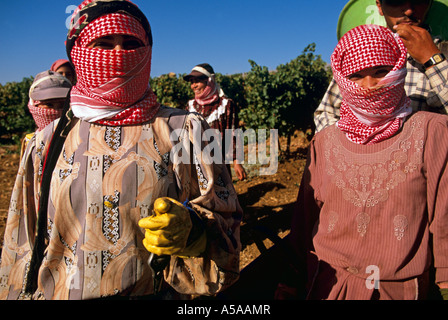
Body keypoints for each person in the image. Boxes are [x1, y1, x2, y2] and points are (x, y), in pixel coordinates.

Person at [0, 0, 242, 300]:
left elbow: (227, 225)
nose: (118, 54)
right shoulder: (44, 143)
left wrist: (193, 233)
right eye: (103, 43)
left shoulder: (186, 130)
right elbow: (21, 244)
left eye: (130, 43)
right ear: (78, 53)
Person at [290, 24, 448, 300]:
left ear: (400, 70)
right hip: (327, 285)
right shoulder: (324, 142)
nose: (370, 86)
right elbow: (305, 219)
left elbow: (444, 219)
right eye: (356, 75)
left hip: (399, 291)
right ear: (342, 80)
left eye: (381, 72)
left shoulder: (432, 131)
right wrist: (292, 277)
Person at [314, 0, 448, 132]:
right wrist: (350, 148)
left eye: (418, 0)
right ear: (379, 5)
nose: (409, 10)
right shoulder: (363, 50)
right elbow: (326, 114)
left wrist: (432, 59)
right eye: (396, 2)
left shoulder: (443, 52)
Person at [184, 63, 247, 181]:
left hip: (219, 163)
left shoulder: (225, 105)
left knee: (222, 193)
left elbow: (233, 133)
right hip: (196, 163)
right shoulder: (191, 106)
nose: (194, 86)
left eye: (197, 81)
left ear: (209, 81)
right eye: (192, 82)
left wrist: (236, 162)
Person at [21, 70, 72, 154]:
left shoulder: (79, 140)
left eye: (62, 105)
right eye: (49, 104)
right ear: (34, 105)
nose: (56, 111)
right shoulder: (30, 142)